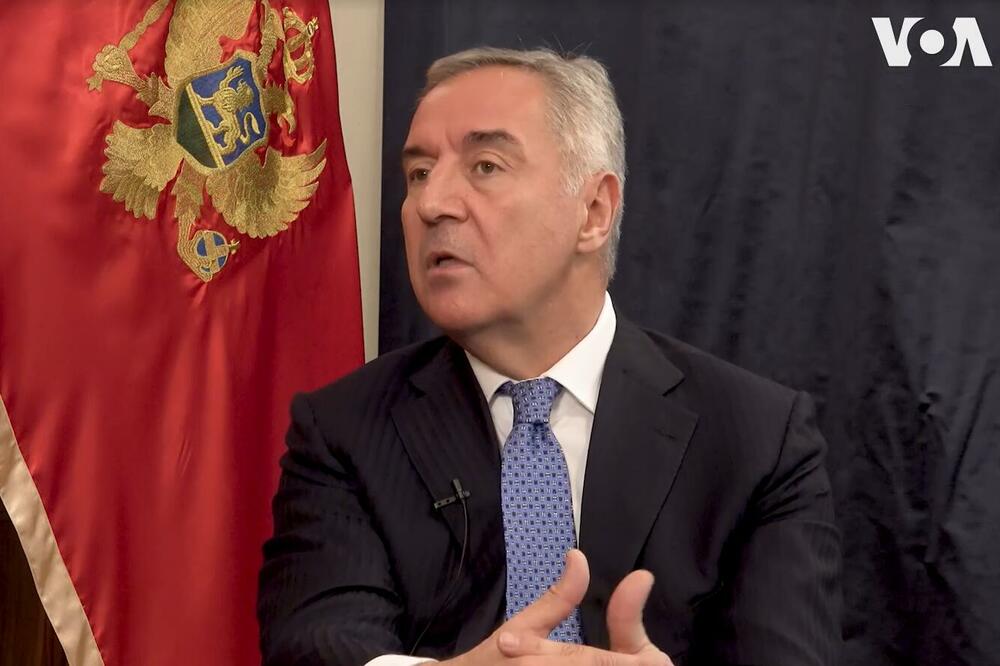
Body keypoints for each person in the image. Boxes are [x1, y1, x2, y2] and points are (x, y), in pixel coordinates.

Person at [257, 47, 842, 666]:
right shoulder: (345, 430)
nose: (432, 204)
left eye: (485, 166)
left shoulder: (756, 438)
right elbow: (315, 644)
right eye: (420, 173)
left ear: (593, 212)